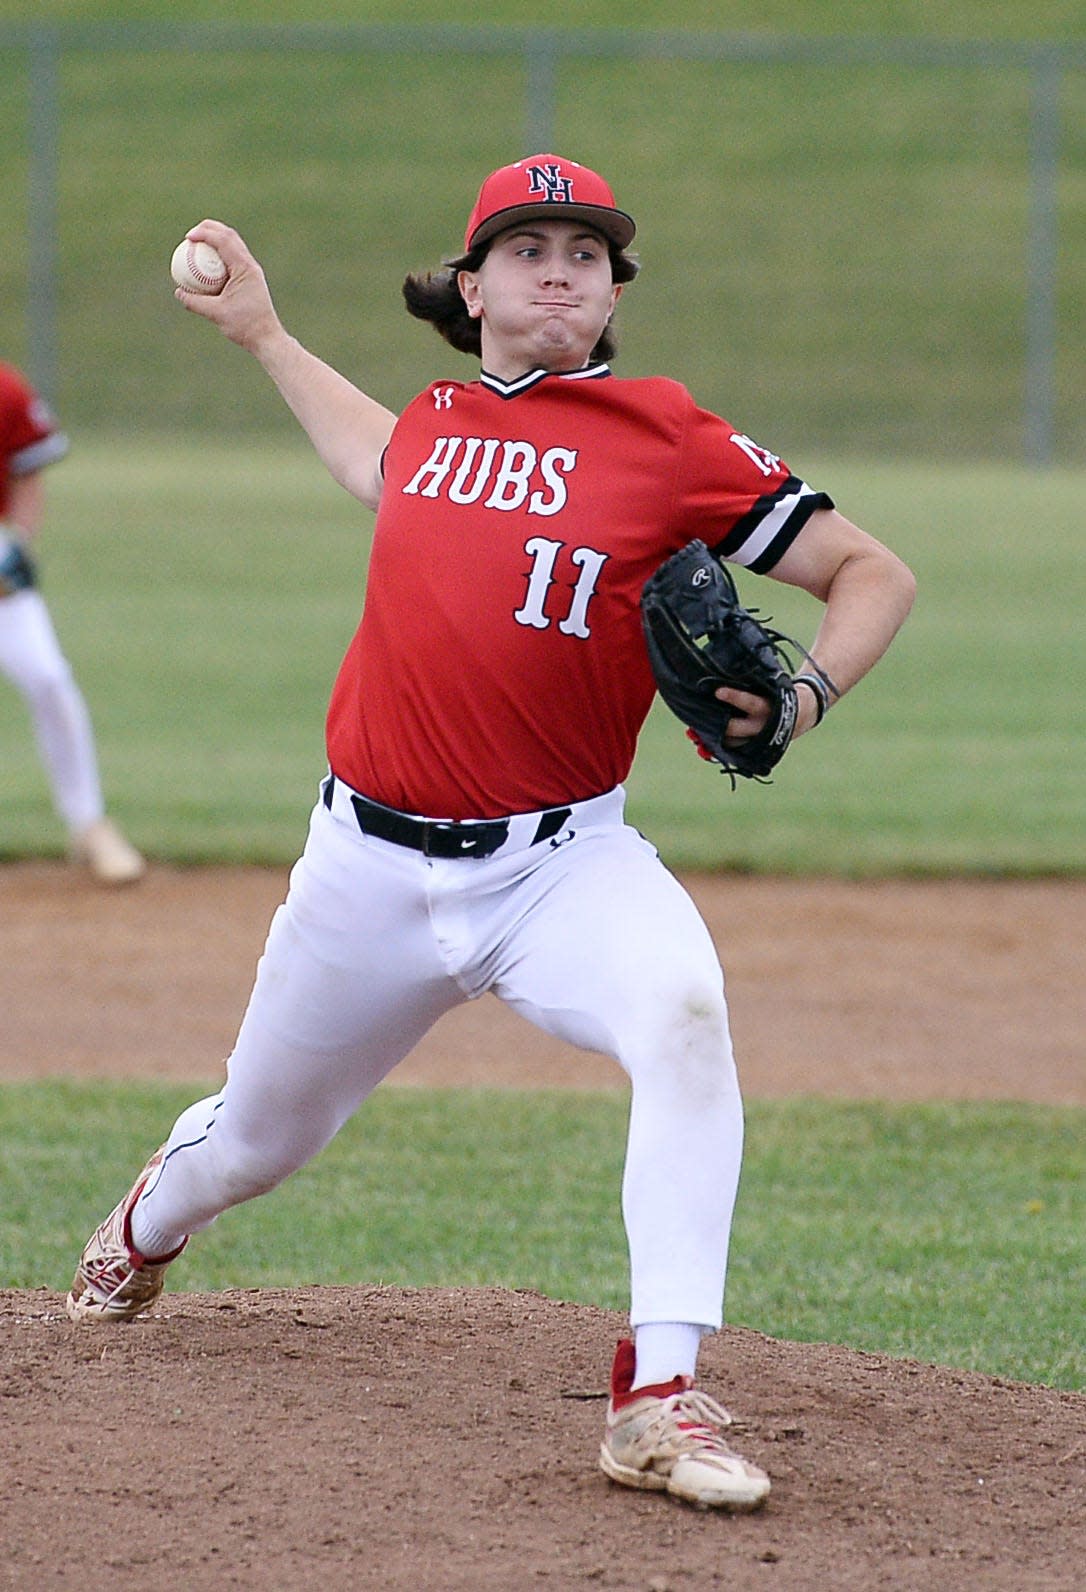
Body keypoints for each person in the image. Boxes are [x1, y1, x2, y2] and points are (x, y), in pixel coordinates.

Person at [65, 155, 915, 1510]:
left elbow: (870, 570)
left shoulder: (670, 437)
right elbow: (370, 457)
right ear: (472, 288)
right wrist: (265, 334)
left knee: (684, 1013)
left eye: (587, 252)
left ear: (611, 293)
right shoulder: (439, 417)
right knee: (255, 1144)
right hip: (363, 872)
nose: (560, 270)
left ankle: (655, 1396)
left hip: (560, 867)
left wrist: (804, 696)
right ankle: (147, 1223)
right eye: (527, 249)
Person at [0, 360, 145, 885]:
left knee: (48, 680)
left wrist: (19, 544)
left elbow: (26, 470)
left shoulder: (6, 389)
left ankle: (89, 826)